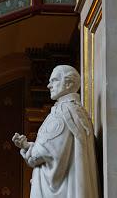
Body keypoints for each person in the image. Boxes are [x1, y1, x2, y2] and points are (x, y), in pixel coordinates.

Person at [12, 65, 99, 198]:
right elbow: (57, 148)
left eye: (54, 81)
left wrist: (27, 148)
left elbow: (43, 154)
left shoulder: (61, 113)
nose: (49, 85)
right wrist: (29, 146)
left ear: (68, 83)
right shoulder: (78, 112)